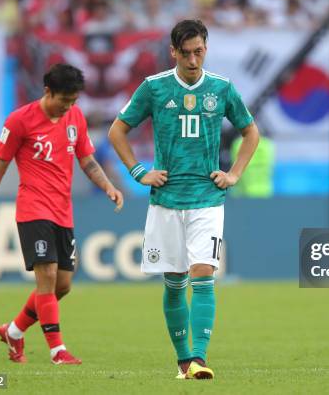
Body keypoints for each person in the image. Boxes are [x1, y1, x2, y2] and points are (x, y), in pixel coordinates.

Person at [108, 19, 259, 379]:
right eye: (186, 53)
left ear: (206, 48)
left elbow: (250, 131)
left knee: (204, 274)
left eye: (200, 52)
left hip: (207, 197)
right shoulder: (155, 88)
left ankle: (200, 360)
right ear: (173, 52)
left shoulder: (221, 88)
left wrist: (234, 173)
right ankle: (183, 360)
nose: (193, 60)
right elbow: (117, 131)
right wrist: (138, 171)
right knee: (174, 283)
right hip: (166, 200)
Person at [0, 63, 124, 365]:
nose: (69, 107)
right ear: (48, 91)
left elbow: (86, 159)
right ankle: (57, 351)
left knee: (62, 285)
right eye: (64, 100)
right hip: (33, 208)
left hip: (63, 211)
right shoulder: (19, 121)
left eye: (74, 101)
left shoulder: (75, 116)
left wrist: (107, 186)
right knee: (47, 276)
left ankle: (13, 330)